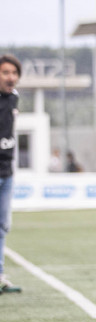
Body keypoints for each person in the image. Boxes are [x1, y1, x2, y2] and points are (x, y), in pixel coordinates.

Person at [0, 54, 23, 294]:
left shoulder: (14, 98)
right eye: (6, 72)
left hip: (7, 171)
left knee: (3, 224)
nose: (11, 77)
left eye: (14, 73)